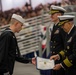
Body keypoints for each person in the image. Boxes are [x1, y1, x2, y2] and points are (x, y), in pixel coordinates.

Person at [40, 5, 66, 75]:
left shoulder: (62, 27)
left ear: (59, 15)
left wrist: (61, 61)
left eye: (53, 14)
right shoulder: (55, 26)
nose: (51, 16)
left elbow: (66, 46)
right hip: (54, 59)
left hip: (61, 59)